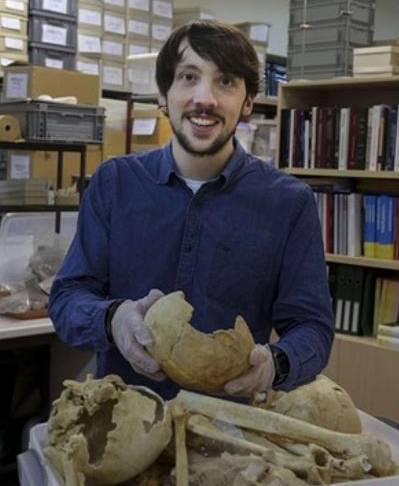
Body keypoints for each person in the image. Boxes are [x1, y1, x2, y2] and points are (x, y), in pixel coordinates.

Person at [49, 20, 333, 400]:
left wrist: (275, 365)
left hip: (232, 432)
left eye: (226, 81)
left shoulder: (289, 203)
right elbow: (68, 297)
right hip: (124, 420)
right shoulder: (114, 183)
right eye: (188, 77)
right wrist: (113, 318)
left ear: (248, 102)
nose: (206, 98)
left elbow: (312, 327)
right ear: (163, 95)